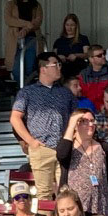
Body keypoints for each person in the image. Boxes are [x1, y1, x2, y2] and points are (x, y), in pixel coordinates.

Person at [11, 52, 75, 202]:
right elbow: (15, 118)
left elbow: (75, 117)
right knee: (44, 194)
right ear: (43, 68)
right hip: (41, 147)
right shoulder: (27, 92)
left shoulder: (66, 93)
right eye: (55, 65)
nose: (59, 68)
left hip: (63, 147)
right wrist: (31, 141)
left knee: (67, 193)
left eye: (60, 65)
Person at [57, 108, 108, 216]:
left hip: (101, 206)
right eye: (84, 121)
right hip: (75, 207)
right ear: (75, 125)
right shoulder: (68, 148)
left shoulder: (105, 147)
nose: (90, 124)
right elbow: (61, 155)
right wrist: (71, 125)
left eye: (92, 121)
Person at [4, 0, 45, 85]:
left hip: (31, 39)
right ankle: (25, 92)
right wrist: (26, 24)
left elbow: (37, 21)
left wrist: (26, 29)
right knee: (16, 68)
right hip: (15, 39)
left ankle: (25, 93)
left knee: (29, 68)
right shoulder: (11, 4)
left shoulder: (36, 6)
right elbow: (8, 20)